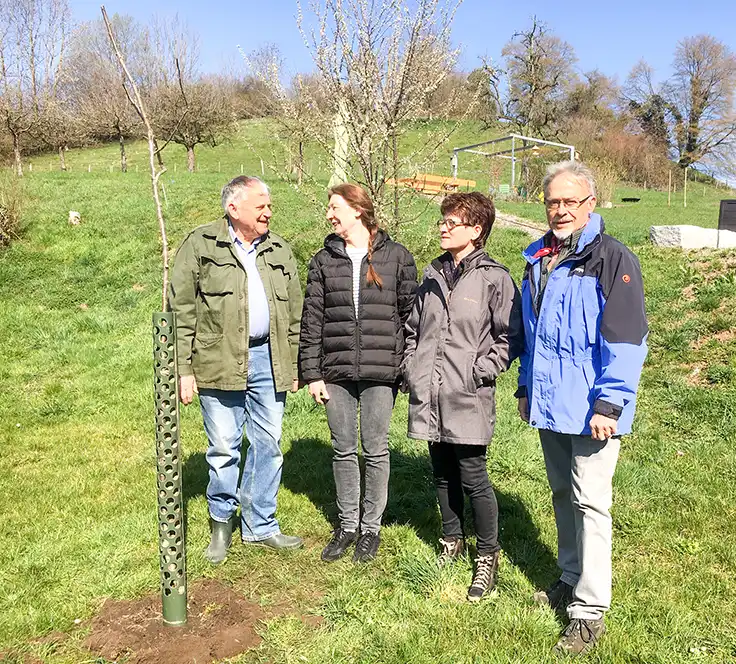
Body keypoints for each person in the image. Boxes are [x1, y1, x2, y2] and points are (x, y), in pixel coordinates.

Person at [516, 161, 648, 654]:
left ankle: (589, 610)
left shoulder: (613, 260)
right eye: (553, 201)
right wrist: (526, 387)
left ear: (591, 204)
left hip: (593, 408)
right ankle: (570, 577)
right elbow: (534, 338)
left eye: (571, 201)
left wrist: (610, 405)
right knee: (560, 495)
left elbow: (627, 339)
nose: (561, 209)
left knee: (591, 502)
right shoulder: (538, 259)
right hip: (551, 404)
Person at [169, 175, 304, 564]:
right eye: (260, 205)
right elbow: (182, 310)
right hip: (218, 358)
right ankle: (222, 524)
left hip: (268, 358)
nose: (268, 212)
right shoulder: (201, 245)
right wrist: (184, 369)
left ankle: (261, 524)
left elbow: (293, 312)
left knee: (269, 445)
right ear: (234, 208)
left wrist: (292, 363)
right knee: (225, 447)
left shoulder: (280, 249)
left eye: (269, 205)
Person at [402, 192, 521, 602]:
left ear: (476, 230)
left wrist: (481, 371)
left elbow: (510, 337)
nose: (443, 227)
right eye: (443, 221)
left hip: (467, 393)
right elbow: (413, 329)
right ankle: (451, 540)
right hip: (430, 392)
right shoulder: (432, 276)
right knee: (441, 471)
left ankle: (488, 554)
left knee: (473, 476)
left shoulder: (495, 278)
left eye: (453, 222)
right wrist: (411, 367)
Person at [299, 183, 417, 563]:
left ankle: (371, 528)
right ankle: (347, 525)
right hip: (335, 370)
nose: (330, 215)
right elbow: (312, 320)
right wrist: (312, 373)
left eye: (335, 207)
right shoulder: (323, 260)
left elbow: (410, 317)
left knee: (376, 449)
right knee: (342, 448)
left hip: (381, 370)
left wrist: (403, 365)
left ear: (358, 209)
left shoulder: (397, 257)